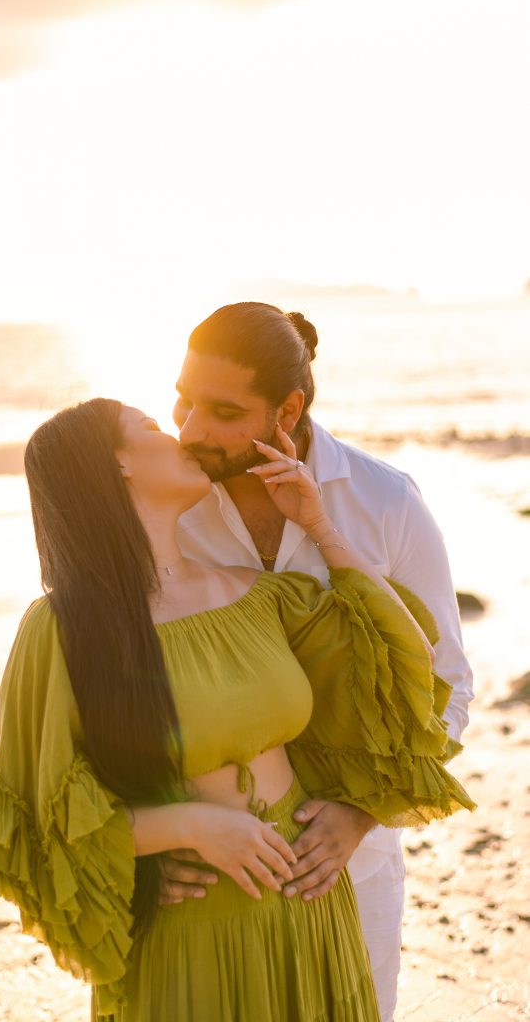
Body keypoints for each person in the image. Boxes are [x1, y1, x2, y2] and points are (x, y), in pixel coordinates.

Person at [0, 397, 473, 1021]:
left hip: (311, 906)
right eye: (151, 426)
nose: (180, 433)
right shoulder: (62, 630)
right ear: (118, 465)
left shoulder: (264, 599)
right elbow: (34, 825)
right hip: (189, 929)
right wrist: (186, 827)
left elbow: (408, 671)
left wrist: (318, 524)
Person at [164, 301, 475, 1021]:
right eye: (182, 401)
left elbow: (449, 687)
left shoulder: (384, 502)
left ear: (289, 409)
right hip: (213, 878)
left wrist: (362, 813)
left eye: (222, 410)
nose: (190, 431)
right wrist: (160, 839)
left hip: (353, 872)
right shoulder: (171, 508)